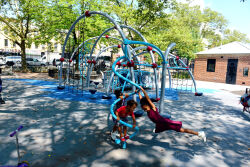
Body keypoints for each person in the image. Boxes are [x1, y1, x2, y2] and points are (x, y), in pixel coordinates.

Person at [137, 87, 206, 142]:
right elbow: (142, 100)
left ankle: (199, 133)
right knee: (157, 130)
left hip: (166, 123)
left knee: (181, 130)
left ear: (148, 105)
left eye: (145, 108)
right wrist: (138, 93)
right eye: (143, 109)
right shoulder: (147, 108)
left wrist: (143, 90)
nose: (145, 110)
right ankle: (158, 129)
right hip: (160, 124)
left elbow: (148, 99)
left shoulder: (153, 108)